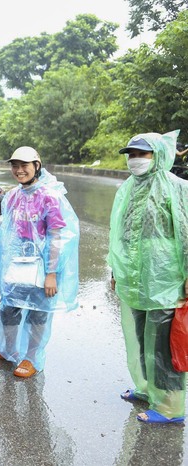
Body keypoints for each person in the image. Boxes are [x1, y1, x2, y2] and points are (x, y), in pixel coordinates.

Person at [0, 146, 79, 378]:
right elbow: (8, 223)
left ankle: (31, 358)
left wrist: (51, 273)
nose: (18, 170)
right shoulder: (14, 195)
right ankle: (7, 350)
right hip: (17, 264)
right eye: (15, 166)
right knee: (9, 309)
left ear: (37, 166)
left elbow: (58, 236)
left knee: (38, 314)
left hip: (42, 266)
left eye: (24, 165)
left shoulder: (50, 197)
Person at [107, 131, 188, 424]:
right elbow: (118, 235)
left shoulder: (176, 188)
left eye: (143, 153)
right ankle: (148, 389)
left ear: (159, 155)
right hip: (135, 281)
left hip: (165, 281)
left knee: (164, 346)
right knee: (141, 338)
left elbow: (187, 233)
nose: (136, 160)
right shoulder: (127, 189)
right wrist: (116, 270)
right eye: (132, 154)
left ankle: (170, 408)